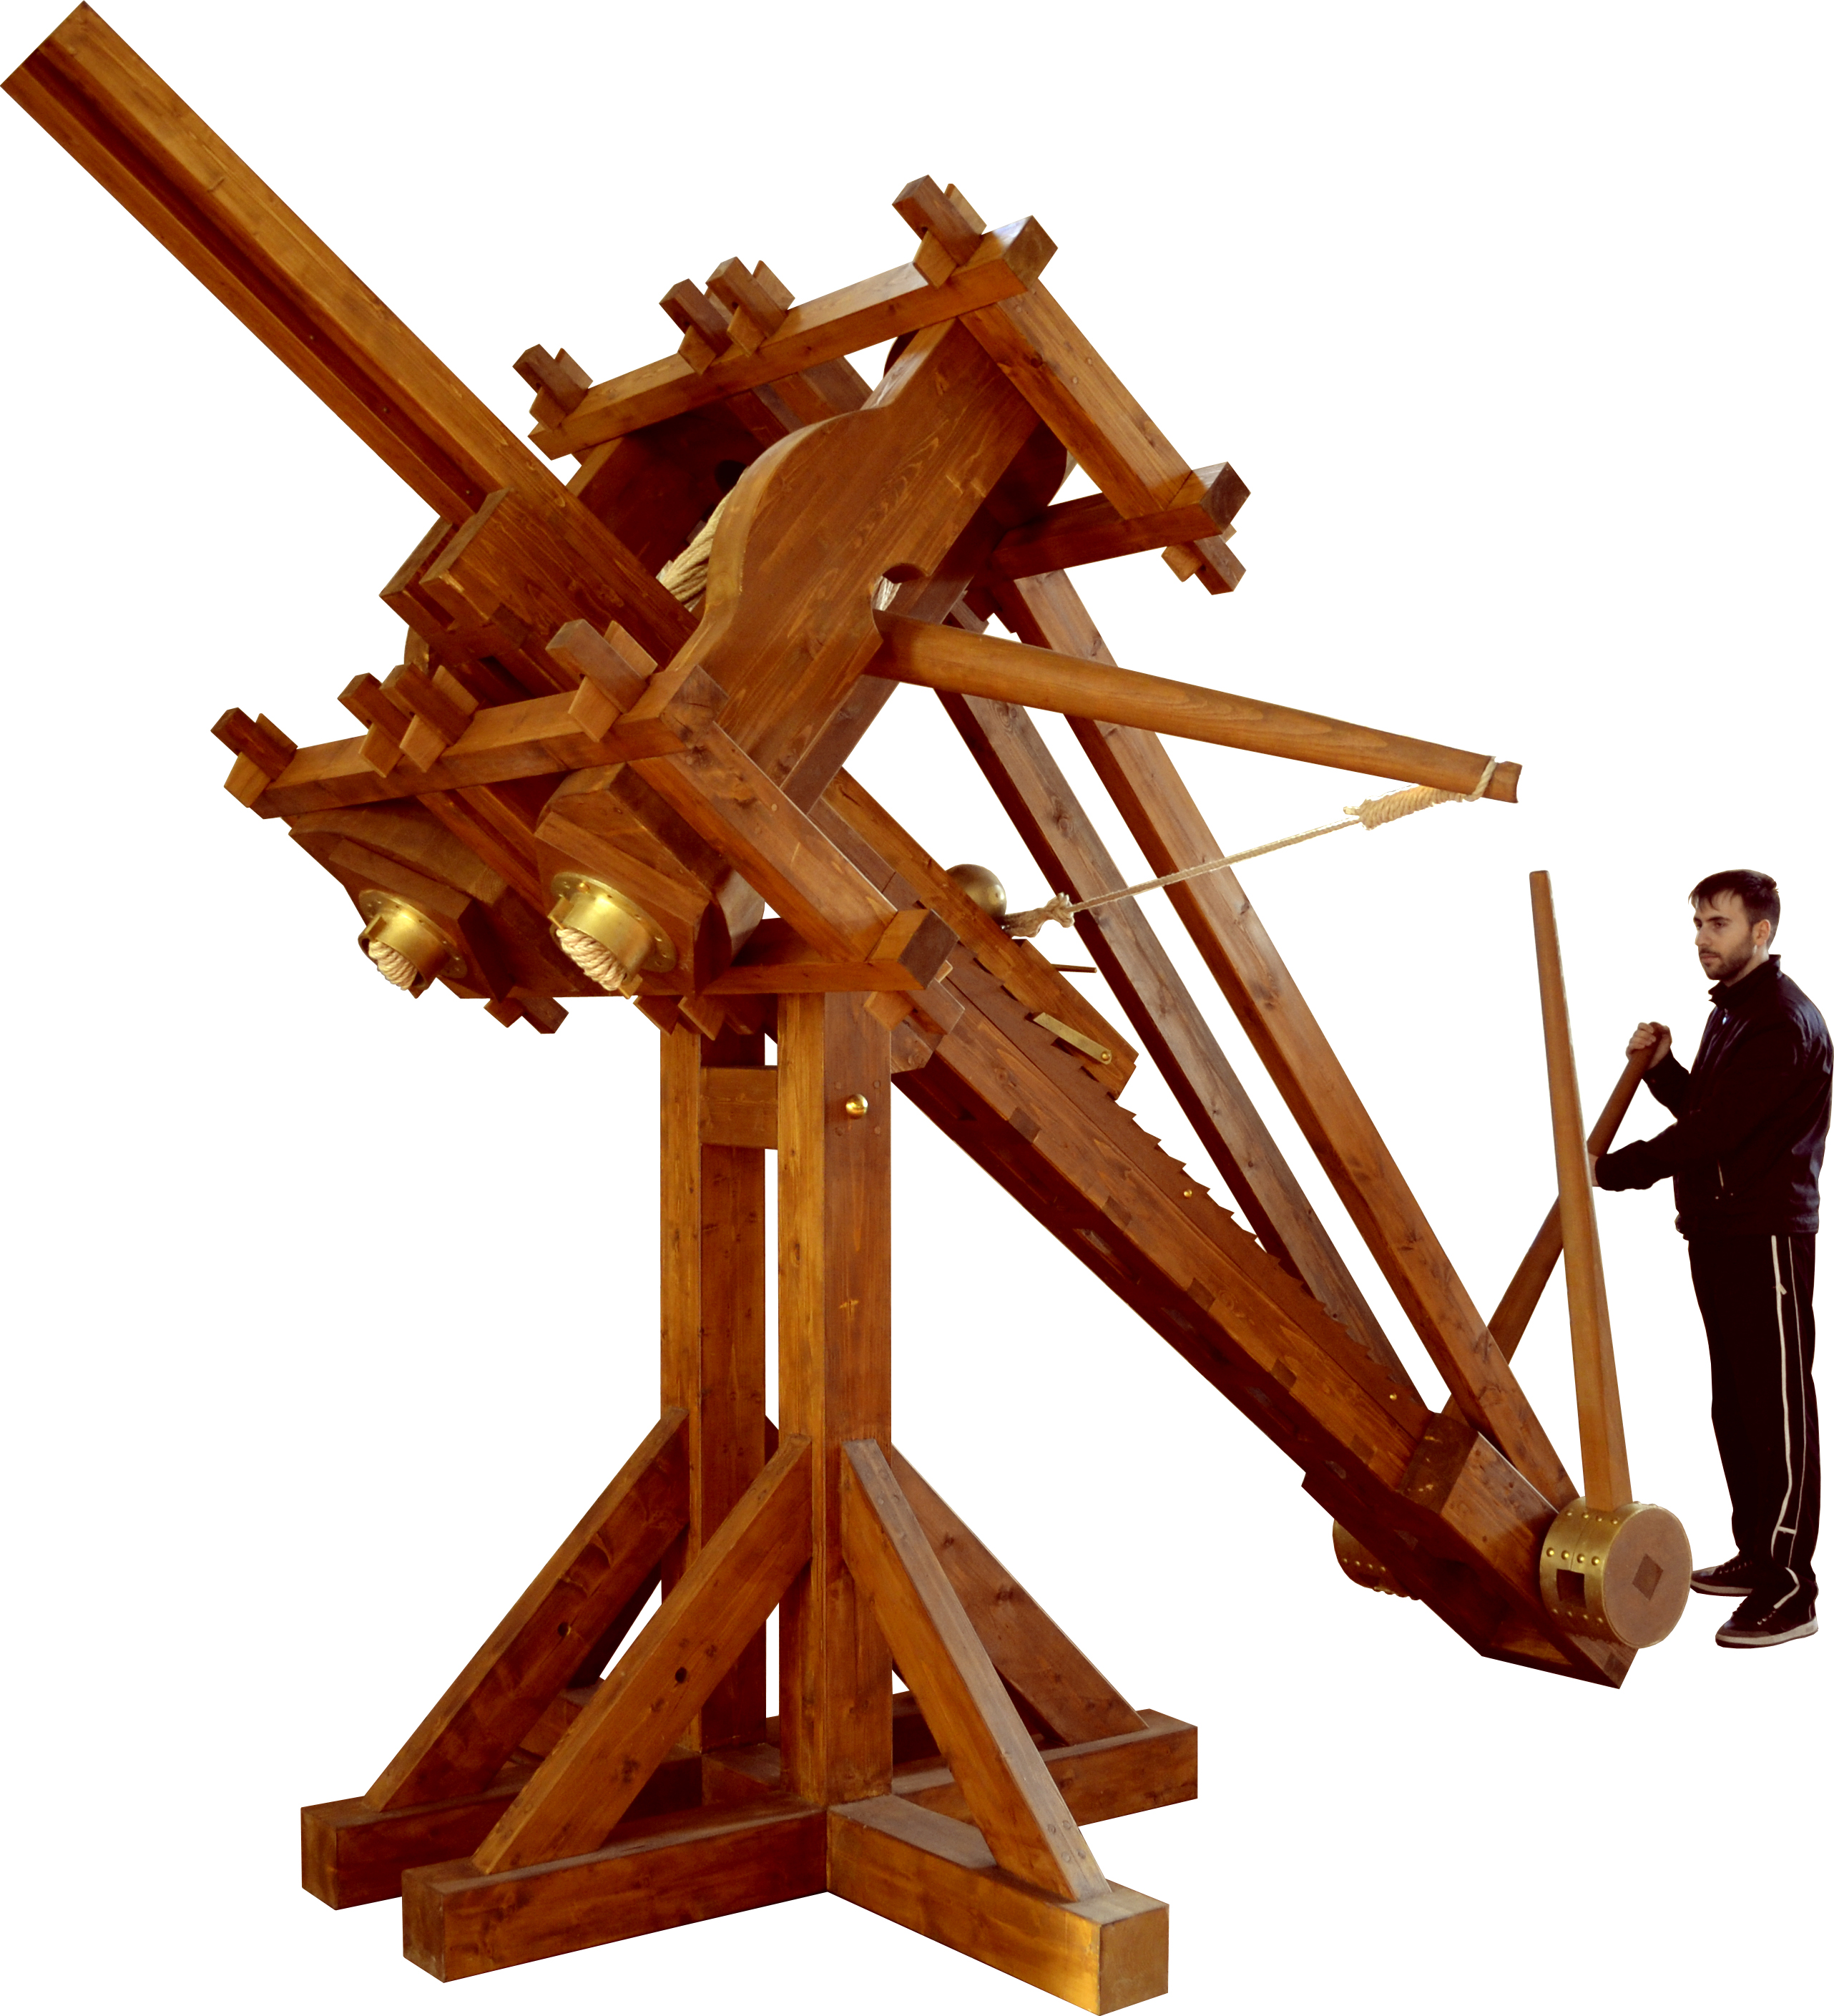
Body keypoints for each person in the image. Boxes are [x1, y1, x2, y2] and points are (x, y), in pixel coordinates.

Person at [1594, 870, 1827, 1648]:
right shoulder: (1733, 1011)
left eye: (1717, 924)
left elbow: (1715, 1133)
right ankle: (1758, 1553)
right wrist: (1663, 1068)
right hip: (1720, 1229)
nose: (1701, 937)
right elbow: (1714, 1110)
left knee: (1778, 1410)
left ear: (1760, 932)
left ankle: (1790, 1588)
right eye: (1697, 922)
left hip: (1765, 1234)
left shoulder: (1780, 1020)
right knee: (1735, 1403)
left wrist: (1615, 1168)